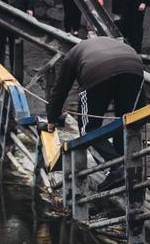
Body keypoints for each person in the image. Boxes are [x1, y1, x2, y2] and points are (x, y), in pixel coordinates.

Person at [45, 35, 144, 190]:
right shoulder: (113, 43)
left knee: (88, 129)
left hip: (97, 71)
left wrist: (51, 119)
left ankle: (116, 167)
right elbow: (138, 107)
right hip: (134, 68)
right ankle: (125, 166)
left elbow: (60, 90)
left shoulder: (73, 54)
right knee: (127, 120)